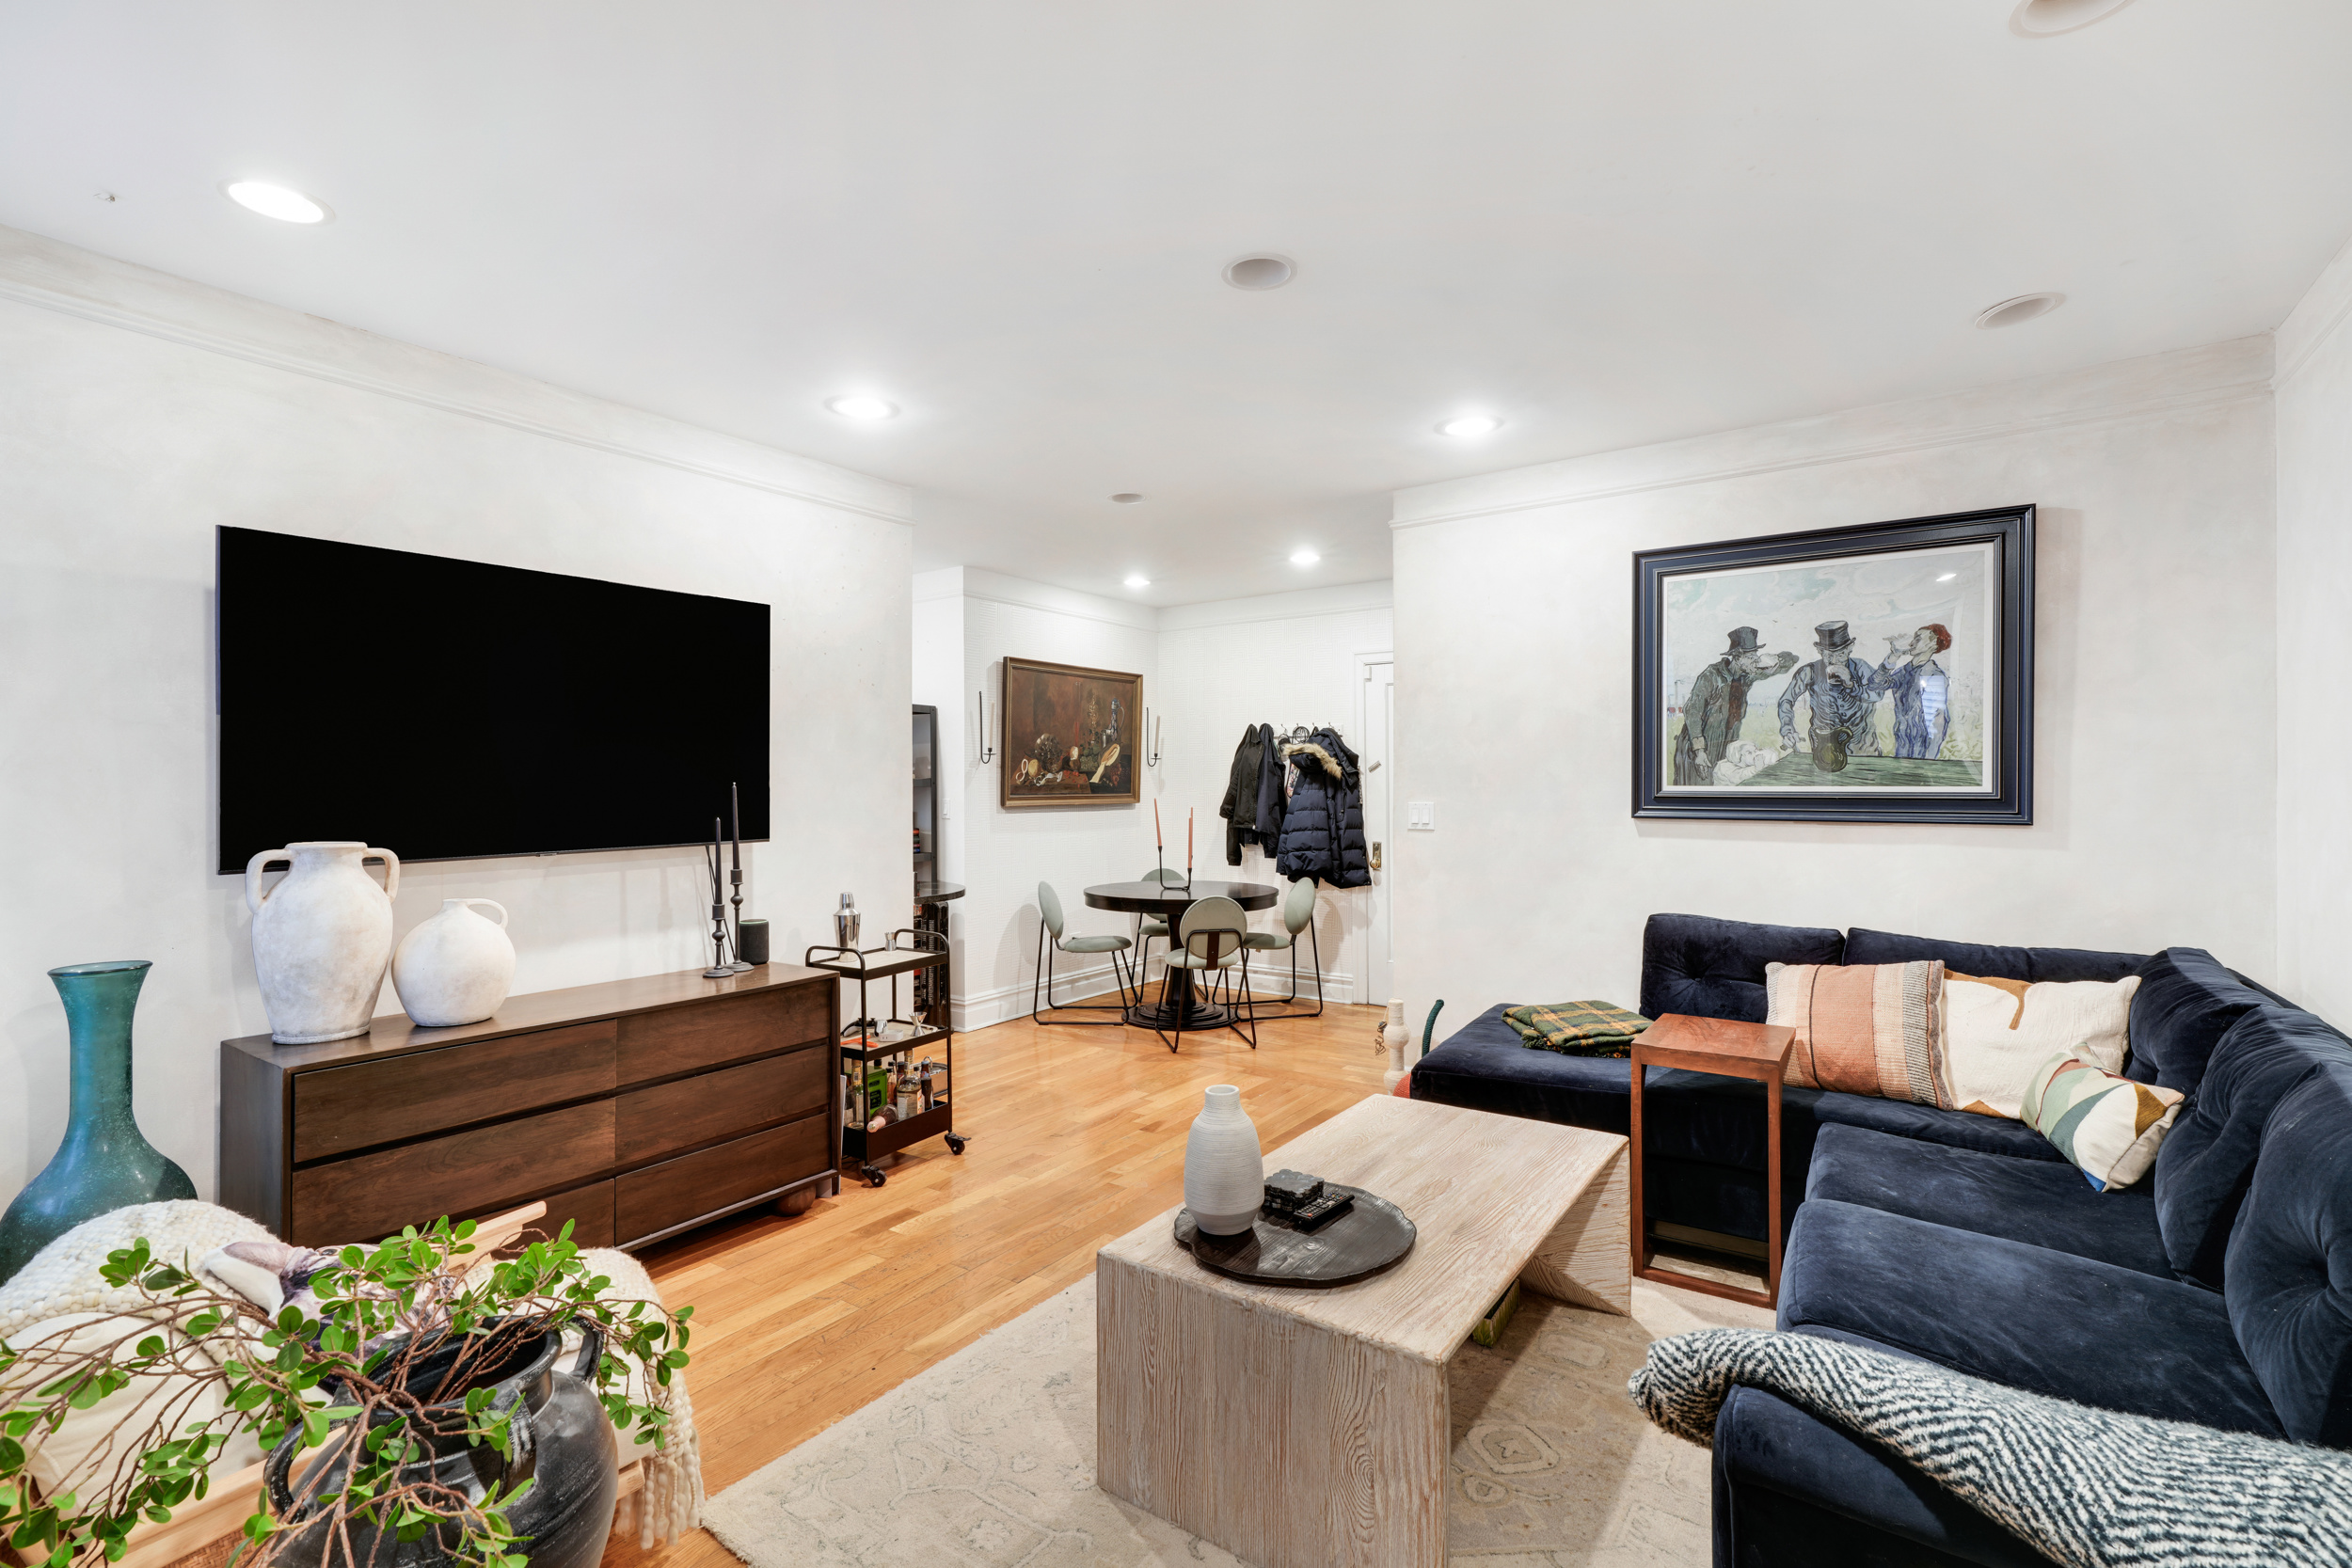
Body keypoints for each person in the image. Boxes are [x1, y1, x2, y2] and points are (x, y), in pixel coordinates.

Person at [1673, 627, 1797, 785]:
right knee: (1699, 788)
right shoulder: (1711, 675)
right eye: (1751, 656)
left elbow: (1791, 660)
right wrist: (1699, 751)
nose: (1756, 661)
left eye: (1756, 655)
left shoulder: (1747, 675)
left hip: (1727, 743)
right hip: (1697, 745)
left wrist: (1777, 659)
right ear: (1737, 657)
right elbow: (1692, 711)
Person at [1778, 620, 1885, 765]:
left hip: (1863, 747)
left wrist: (1850, 684)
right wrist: (1787, 730)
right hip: (1824, 748)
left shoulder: (1861, 667)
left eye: (1840, 655)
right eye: (1828, 656)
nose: (1834, 661)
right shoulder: (1809, 671)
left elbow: (1878, 695)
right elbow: (1786, 700)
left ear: (1850, 648)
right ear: (1820, 651)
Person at [1876, 623, 1953, 759]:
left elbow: (1937, 722)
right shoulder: (1904, 672)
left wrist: (1929, 760)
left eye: (1918, 639)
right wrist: (1893, 656)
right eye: (1913, 638)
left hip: (1923, 746)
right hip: (1902, 741)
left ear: (1933, 644)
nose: (1911, 643)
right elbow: (1876, 685)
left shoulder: (1934, 675)